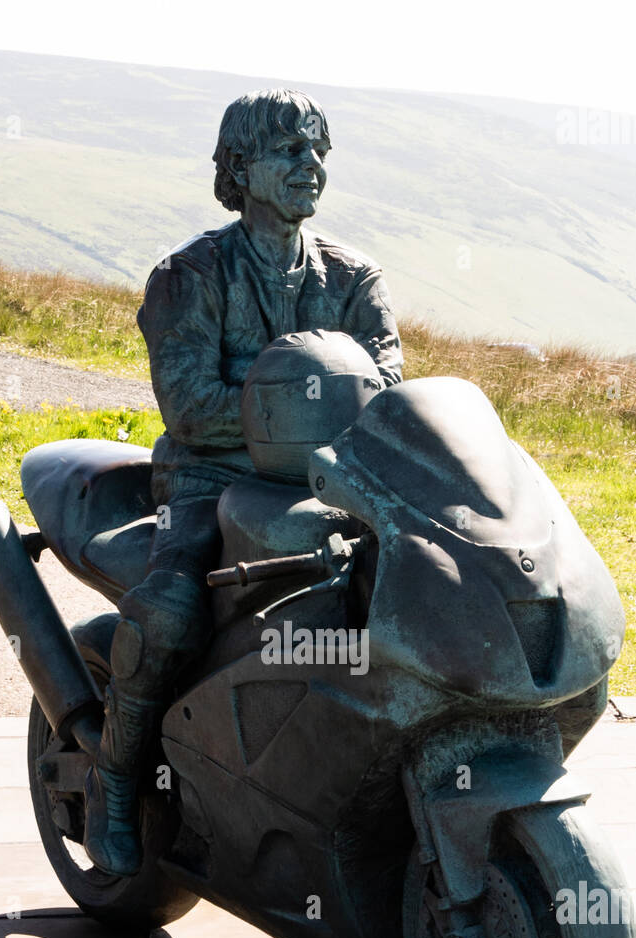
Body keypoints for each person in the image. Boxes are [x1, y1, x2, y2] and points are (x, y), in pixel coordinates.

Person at [83, 88, 403, 876]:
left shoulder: (354, 278)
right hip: (212, 479)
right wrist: (297, 416)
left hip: (334, 481)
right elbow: (190, 405)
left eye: (319, 150)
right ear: (240, 167)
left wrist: (321, 428)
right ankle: (116, 779)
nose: (312, 166)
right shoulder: (190, 276)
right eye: (290, 150)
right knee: (170, 610)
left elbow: (387, 383)